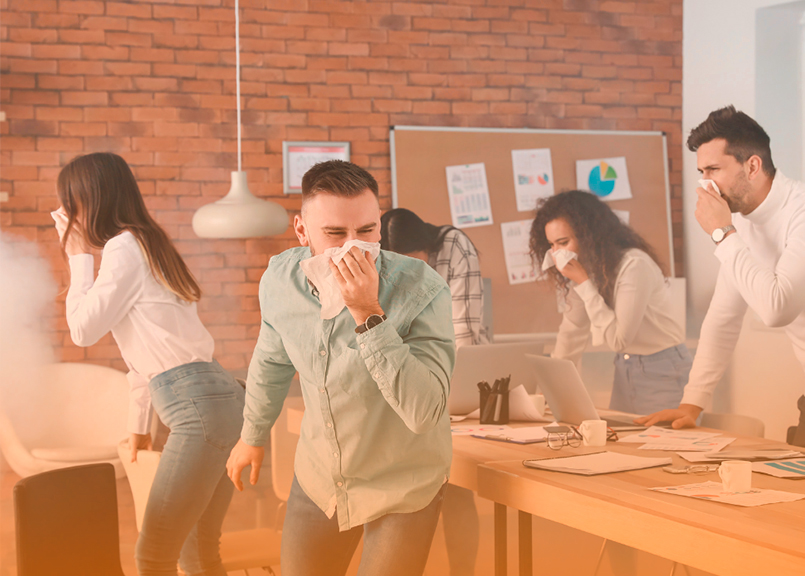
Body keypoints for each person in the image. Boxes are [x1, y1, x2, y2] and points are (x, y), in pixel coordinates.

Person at [226, 160, 455, 576]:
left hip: (402, 482)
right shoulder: (280, 280)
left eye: (366, 231)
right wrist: (252, 436)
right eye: (335, 233)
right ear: (302, 231)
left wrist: (368, 313)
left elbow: (425, 413)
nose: (353, 246)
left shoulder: (422, 289)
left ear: (379, 225)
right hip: (322, 476)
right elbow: (272, 361)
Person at [54, 152, 245, 576]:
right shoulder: (148, 243)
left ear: (90, 200)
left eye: (69, 205)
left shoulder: (122, 249)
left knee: (155, 553)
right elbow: (144, 355)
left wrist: (78, 258)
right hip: (225, 399)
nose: (68, 217)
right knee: (198, 552)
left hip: (198, 407)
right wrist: (139, 427)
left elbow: (82, 330)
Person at [638, 105, 805, 431]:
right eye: (702, 172)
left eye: (713, 170)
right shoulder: (741, 226)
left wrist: (722, 233)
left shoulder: (798, 212)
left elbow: (778, 309)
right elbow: (722, 319)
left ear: (752, 166)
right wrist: (691, 405)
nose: (706, 185)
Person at [380, 208, 486, 576]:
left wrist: (446, 399)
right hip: (403, 380)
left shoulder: (454, 247)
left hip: (453, 376)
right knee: (401, 491)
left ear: (428, 246)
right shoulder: (376, 260)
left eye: (417, 262)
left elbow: (465, 332)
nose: (410, 273)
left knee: (456, 489)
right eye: (399, 265)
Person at [530, 190, 692, 415]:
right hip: (625, 366)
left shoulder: (633, 265)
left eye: (563, 243)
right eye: (552, 245)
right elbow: (572, 331)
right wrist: (550, 387)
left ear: (589, 235)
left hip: (663, 368)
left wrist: (584, 283)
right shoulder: (587, 270)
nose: (557, 254)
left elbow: (619, 340)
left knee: (658, 438)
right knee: (622, 436)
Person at [380, 208, 489, 348]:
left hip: (460, 352)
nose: (408, 272)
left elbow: (463, 330)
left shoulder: (453, 245)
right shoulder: (383, 265)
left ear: (424, 245)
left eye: (412, 261)